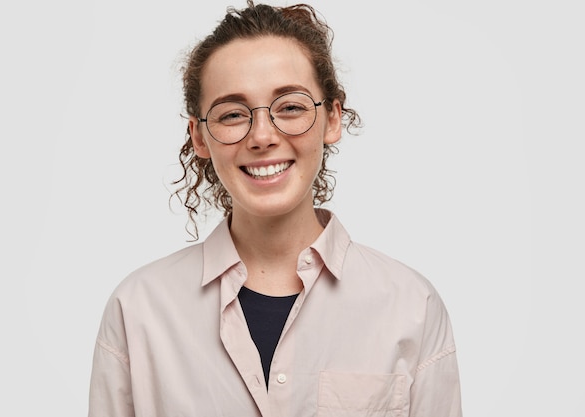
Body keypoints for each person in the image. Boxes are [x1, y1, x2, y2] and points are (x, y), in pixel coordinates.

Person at [88, 1, 463, 416]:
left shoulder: (411, 306)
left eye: (290, 107)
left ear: (332, 118)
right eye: (232, 114)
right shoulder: (138, 310)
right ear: (199, 137)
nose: (262, 136)